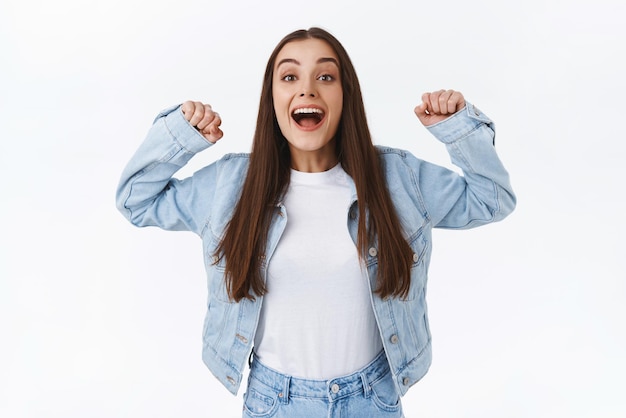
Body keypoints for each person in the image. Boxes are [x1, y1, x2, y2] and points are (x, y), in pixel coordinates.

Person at [116, 27, 515, 418]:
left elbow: (492, 200)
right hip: (274, 401)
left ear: (346, 97)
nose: (307, 89)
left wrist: (459, 129)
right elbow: (136, 200)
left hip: (373, 399)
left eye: (326, 76)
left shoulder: (398, 178)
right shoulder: (229, 186)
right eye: (289, 76)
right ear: (272, 98)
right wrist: (178, 134)